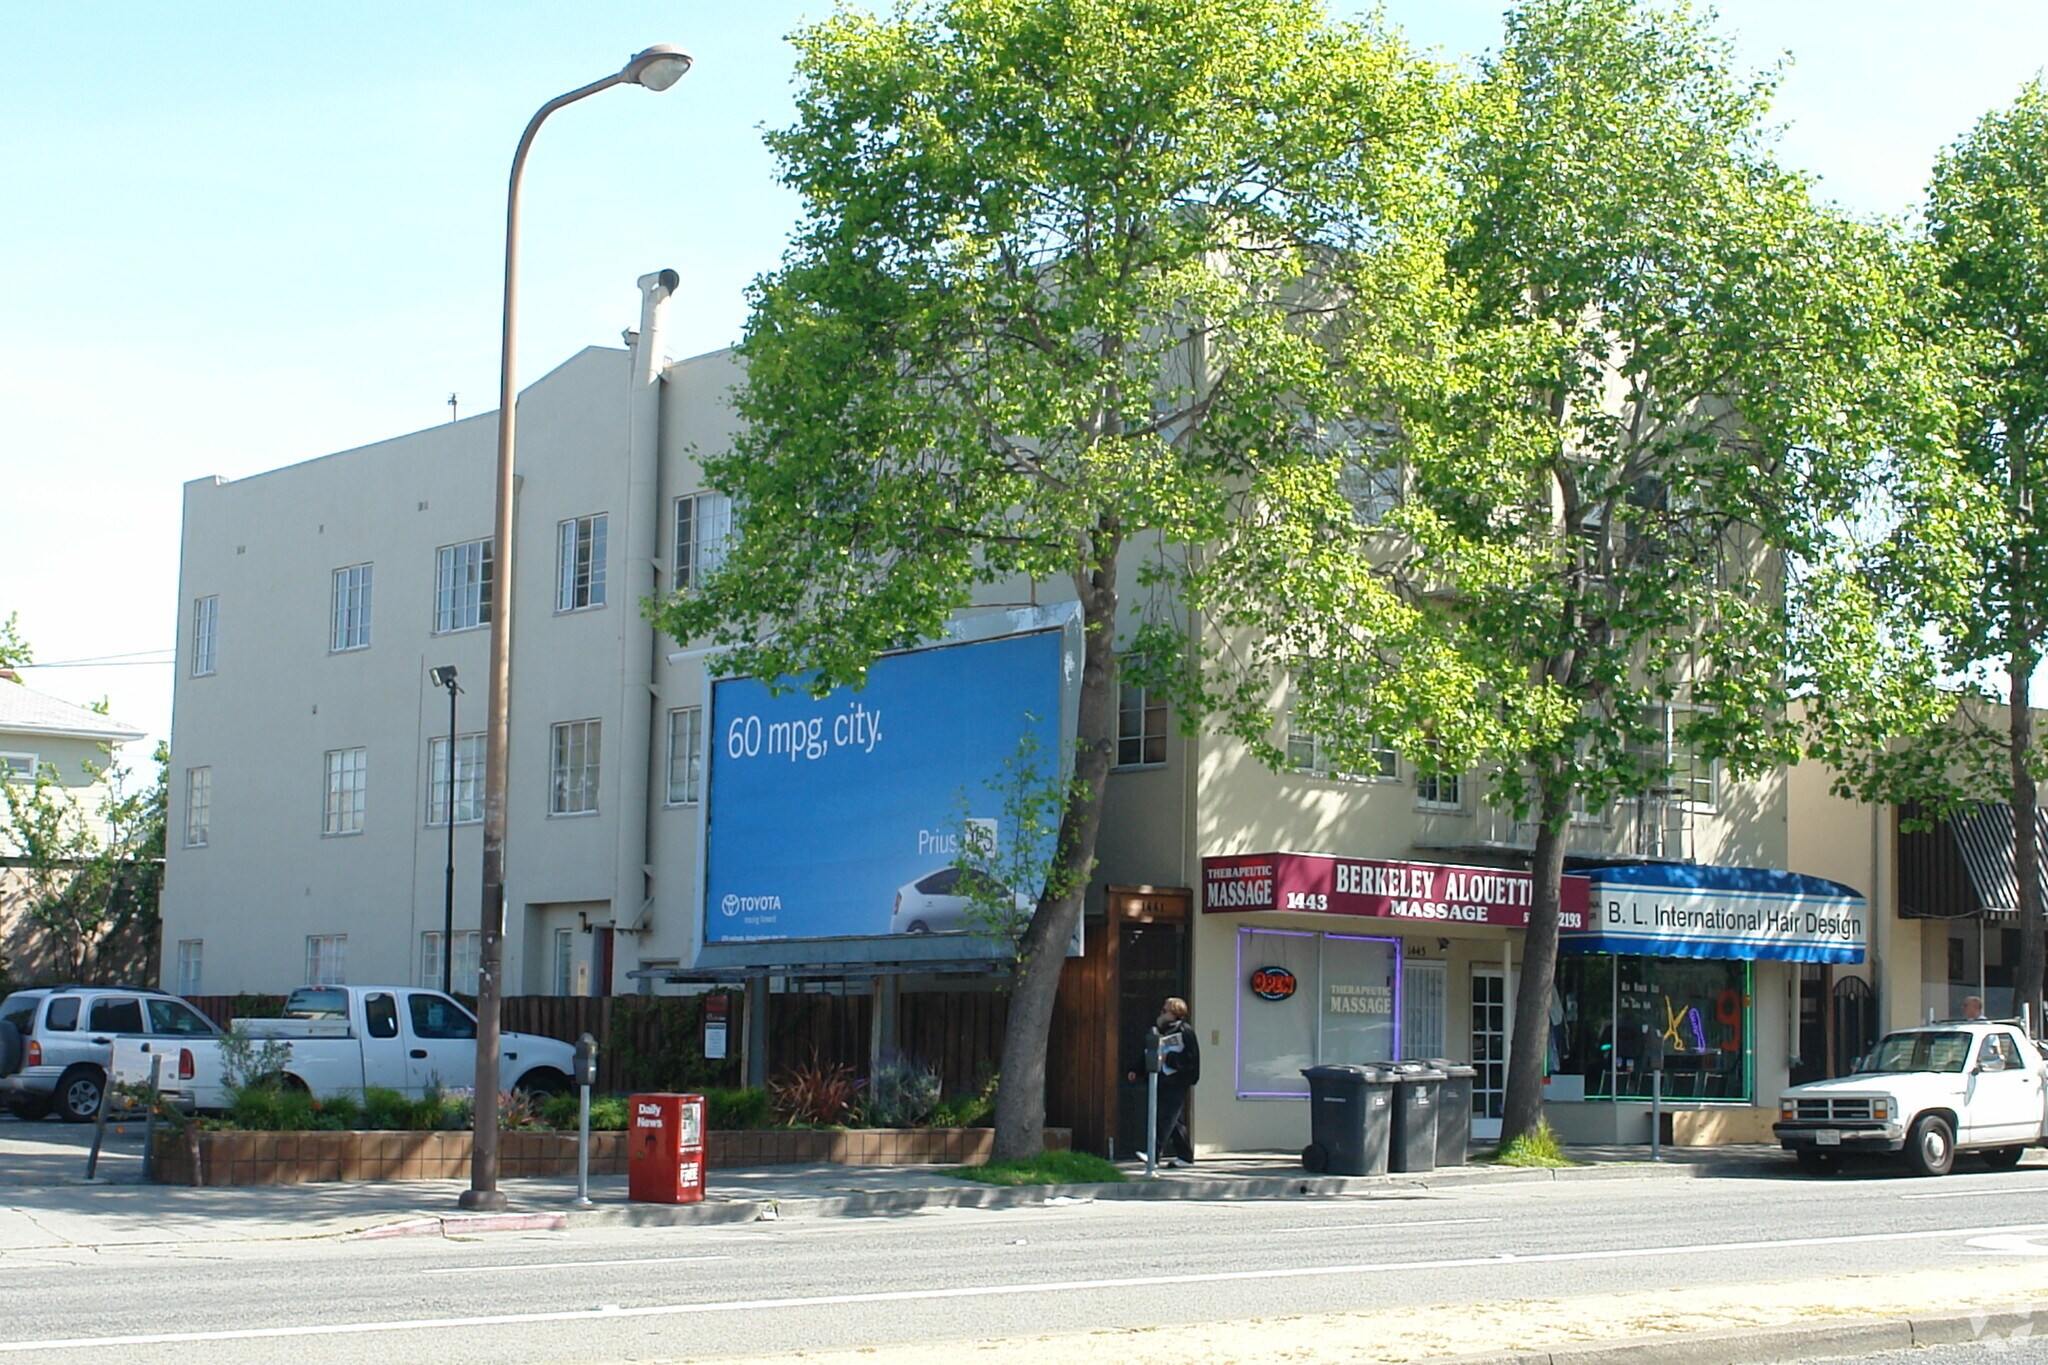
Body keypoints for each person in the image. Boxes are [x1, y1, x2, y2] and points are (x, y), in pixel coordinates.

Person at [1148, 997, 1200, 1166]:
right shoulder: (1162, 1030)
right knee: (1174, 1121)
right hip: (1165, 1079)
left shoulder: (1186, 1032)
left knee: (1165, 1117)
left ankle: (1153, 1155)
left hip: (1179, 1081)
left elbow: (1190, 1061)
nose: (1161, 1013)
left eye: (1165, 1011)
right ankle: (1185, 1156)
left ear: (1175, 1013)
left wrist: (1169, 1058)